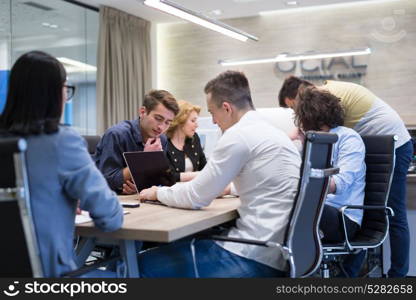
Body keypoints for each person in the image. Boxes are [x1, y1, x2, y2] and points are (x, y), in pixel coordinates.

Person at [137, 70, 302, 278]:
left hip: (252, 255)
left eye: (212, 113)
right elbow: (267, 184)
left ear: (226, 108)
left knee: (138, 266)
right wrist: (232, 187)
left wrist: (157, 193)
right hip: (281, 254)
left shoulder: (238, 135)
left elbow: (196, 197)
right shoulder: (275, 134)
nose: (213, 121)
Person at [0, 51, 123, 277]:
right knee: (131, 273)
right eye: (65, 89)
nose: (66, 96)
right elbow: (110, 218)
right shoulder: (61, 141)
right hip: (52, 276)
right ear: (54, 93)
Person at [279, 76, 413, 277]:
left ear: (308, 113)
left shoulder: (347, 137)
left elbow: (340, 184)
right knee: (285, 206)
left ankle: (398, 277)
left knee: (395, 215)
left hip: (345, 214)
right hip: (329, 211)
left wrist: (305, 185)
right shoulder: (316, 140)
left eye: (295, 111)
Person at [292, 85, 366, 243]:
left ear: (308, 117)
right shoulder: (311, 141)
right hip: (319, 211)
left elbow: (340, 184)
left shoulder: (348, 138)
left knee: (295, 207)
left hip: (344, 218)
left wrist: (299, 183)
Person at [93, 90, 179, 194]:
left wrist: (140, 186)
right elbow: (107, 180)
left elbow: (158, 179)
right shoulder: (116, 134)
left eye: (167, 123)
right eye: (158, 118)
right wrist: (144, 160)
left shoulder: (162, 139)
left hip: (137, 198)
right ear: (142, 112)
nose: (161, 127)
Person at [165, 100, 207, 182]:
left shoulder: (194, 139)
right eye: (193, 121)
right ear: (180, 121)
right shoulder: (164, 143)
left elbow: (204, 167)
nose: (197, 125)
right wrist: (198, 175)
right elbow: (168, 177)